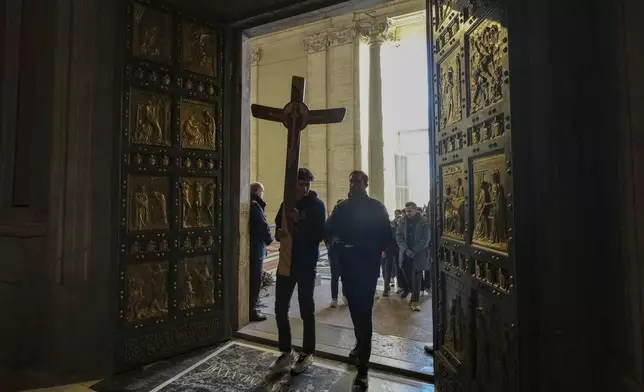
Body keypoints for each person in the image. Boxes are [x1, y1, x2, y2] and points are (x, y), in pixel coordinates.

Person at [326, 170, 391, 390]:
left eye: (358, 181)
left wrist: (369, 248)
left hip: (367, 267)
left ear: (366, 183)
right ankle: (360, 343)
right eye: (351, 181)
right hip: (348, 266)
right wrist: (335, 240)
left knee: (364, 312)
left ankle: (363, 367)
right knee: (354, 310)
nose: (353, 184)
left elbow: (386, 237)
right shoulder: (342, 207)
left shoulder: (376, 207)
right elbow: (330, 230)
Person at [268, 168, 326, 376]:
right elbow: (277, 226)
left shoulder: (317, 205)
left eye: (307, 184)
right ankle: (286, 351)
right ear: (293, 185)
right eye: (300, 184)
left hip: (305, 263)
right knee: (280, 308)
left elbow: (319, 234)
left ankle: (307, 352)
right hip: (286, 262)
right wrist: (279, 232)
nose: (304, 188)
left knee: (306, 309)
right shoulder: (286, 203)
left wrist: (300, 218)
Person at [396, 201, 431, 312]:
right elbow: (399, 236)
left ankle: (414, 301)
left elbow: (426, 239)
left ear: (415, 210)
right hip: (405, 253)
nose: (407, 213)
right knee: (406, 274)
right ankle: (410, 290)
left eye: (410, 211)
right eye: (406, 211)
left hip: (418, 254)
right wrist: (406, 249)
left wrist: (414, 250)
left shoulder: (424, 221)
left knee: (416, 275)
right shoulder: (402, 221)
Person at [249, 183, 273, 322]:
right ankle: (253, 310)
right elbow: (263, 225)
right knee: (255, 278)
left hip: (251, 245)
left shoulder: (247, 202)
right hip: (256, 246)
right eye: (262, 192)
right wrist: (269, 239)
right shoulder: (255, 205)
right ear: (258, 192)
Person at [325, 199, 347, 307]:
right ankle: (334, 298)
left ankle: (345, 295)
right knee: (335, 275)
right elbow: (326, 235)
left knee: (345, 274)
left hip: (344, 250)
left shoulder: (346, 219)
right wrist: (331, 242)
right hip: (334, 250)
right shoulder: (330, 220)